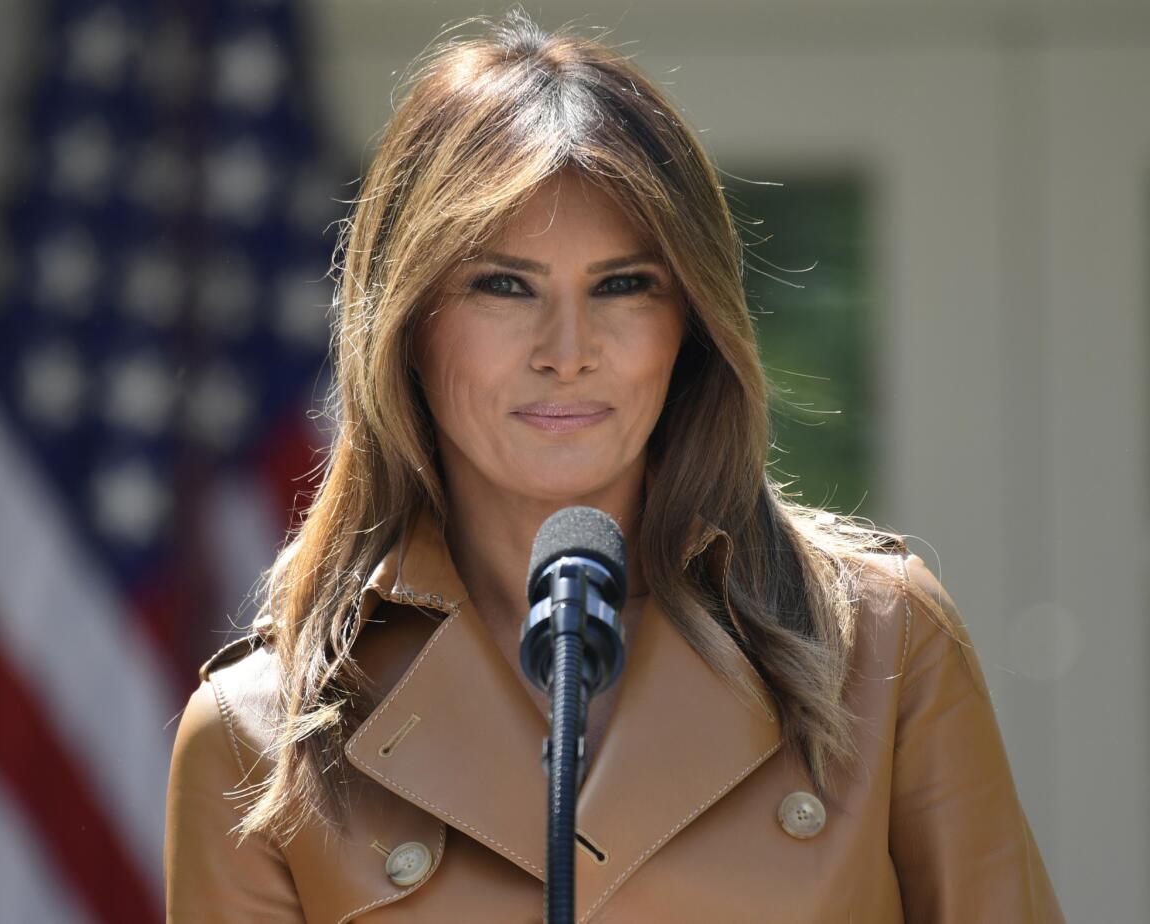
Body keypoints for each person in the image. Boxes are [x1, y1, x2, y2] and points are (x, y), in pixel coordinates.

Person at [163, 8, 1064, 922]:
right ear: (408, 323)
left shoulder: (884, 645)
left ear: (691, 325)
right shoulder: (257, 736)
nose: (568, 349)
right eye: (502, 285)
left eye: (624, 285)